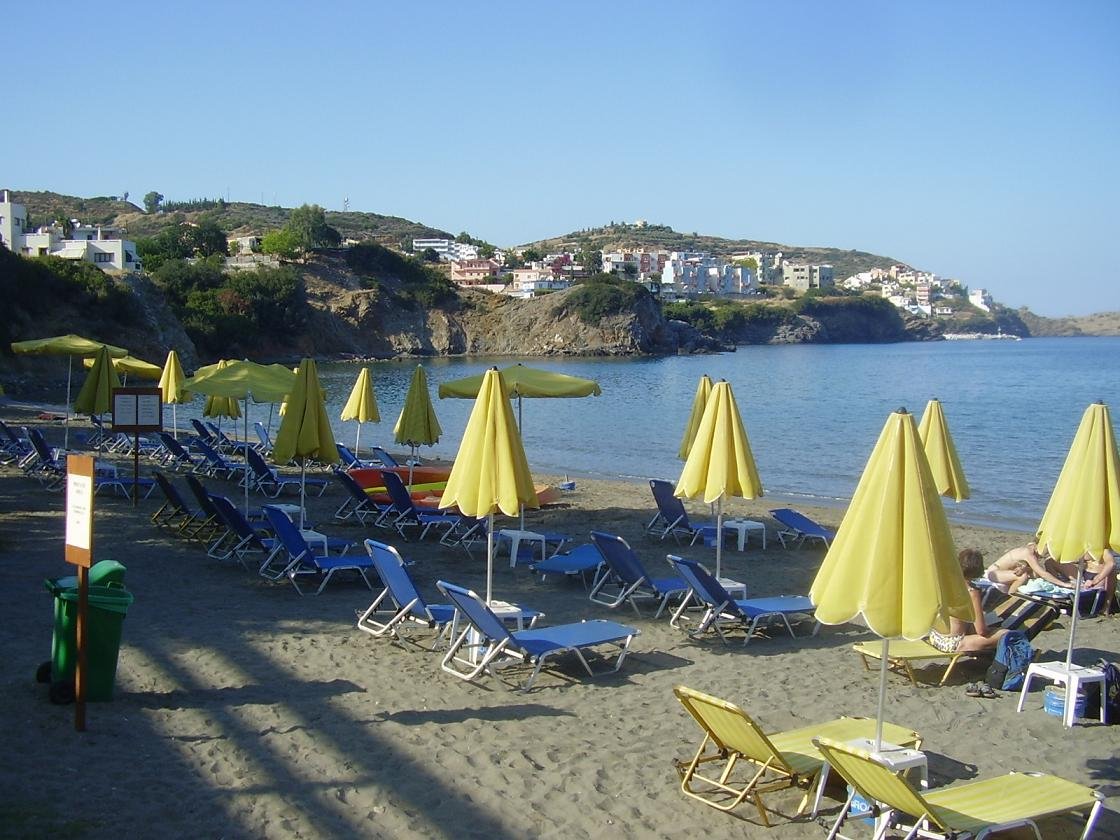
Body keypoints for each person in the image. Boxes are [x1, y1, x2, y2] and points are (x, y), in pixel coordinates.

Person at [928, 549, 1009, 654]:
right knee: (1006, 634)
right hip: (951, 643)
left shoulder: (944, 584)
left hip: (935, 637)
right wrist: (993, 631)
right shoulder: (971, 592)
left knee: (969, 624)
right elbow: (981, 631)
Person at [1000, 542, 1116, 615]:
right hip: (1083, 575)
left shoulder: (1104, 549)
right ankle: (1057, 585)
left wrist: (1095, 580)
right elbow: (1070, 559)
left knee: (1112, 570)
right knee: (1050, 561)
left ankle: (1106, 606)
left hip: (1095, 579)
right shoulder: (1086, 544)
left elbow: (1111, 564)